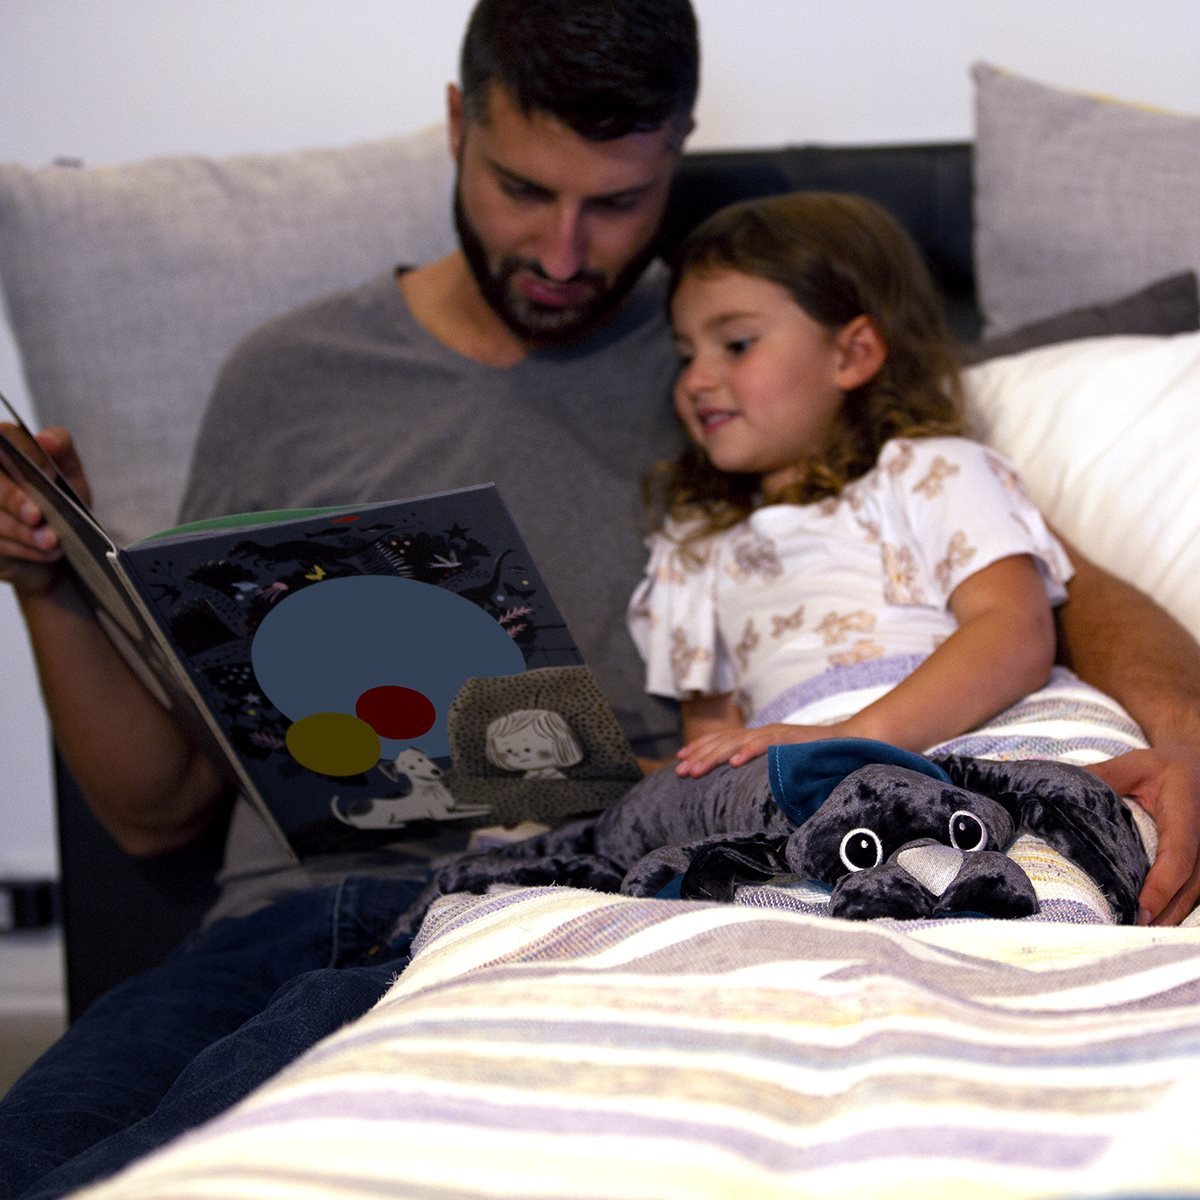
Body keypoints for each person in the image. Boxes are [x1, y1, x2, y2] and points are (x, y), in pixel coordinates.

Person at [0, 0, 1198, 1194]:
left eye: (616, 205)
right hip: (271, 919)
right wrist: (45, 584)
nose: (564, 254)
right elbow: (157, 813)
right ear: (459, 125)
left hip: (549, 910)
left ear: (675, 150)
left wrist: (1185, 737)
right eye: (524, 190)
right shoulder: (289, 377)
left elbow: (1042, 577)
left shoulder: (744, 363)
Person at [628, 190, 1097, 778]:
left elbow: (1016, 633)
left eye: (737, 344)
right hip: (822, 792)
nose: (697, 379)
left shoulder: (929, 472)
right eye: (685, 354)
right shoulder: (695, 548)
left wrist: (852, 740)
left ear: (853, 353)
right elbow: (714, 747)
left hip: (987, 740)